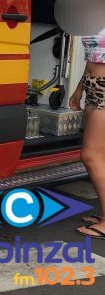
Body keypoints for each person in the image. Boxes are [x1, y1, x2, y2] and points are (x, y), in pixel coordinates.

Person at [70, 26, 105, 239]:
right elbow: (93, 55)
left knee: (91, 156)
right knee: (100, 156)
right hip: (94, 87)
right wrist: (80, 89)